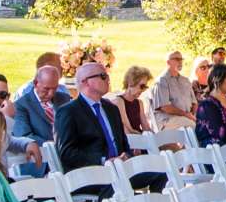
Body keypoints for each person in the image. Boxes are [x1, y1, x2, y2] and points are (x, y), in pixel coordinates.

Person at [54, 60, 132, 195]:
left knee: (160, 174)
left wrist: (126, 155)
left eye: (107, 75)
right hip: (90, 175)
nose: (108, 79)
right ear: (85, 82)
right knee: (118, 187)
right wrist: (103, 160)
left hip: (120, 171)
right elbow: (67, 153)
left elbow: (123, 143)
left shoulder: (111, 109)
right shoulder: (68, 112)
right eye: (102, 76)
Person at [12, 64, 67, 154]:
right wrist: (55, 146)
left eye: (55, 88)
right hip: (42, 158)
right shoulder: (20, 106)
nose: (51, 94)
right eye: (46, 89)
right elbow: (24, 136)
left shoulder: (64, 99)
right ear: (35, 83)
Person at [150, 51, 199, 135]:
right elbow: (166, 107)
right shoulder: (162, 81)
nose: (180, 62)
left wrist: (192, 115)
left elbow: (194, 103)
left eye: (181, 59)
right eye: (176, 59)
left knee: (205, 125)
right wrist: (186, 115)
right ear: (168, 62)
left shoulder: (185, 80)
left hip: (185, 118)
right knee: (192, 125)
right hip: (167, 120)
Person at [117, 65, 154, 133]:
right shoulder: (119, 101)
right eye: (142, 86)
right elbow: (129, 129)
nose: (143, 90)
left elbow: (146, 127)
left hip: (138, 138)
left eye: (145, 87)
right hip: (130, 140)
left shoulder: (139, 103)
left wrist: (156, 138)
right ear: (131, 83)